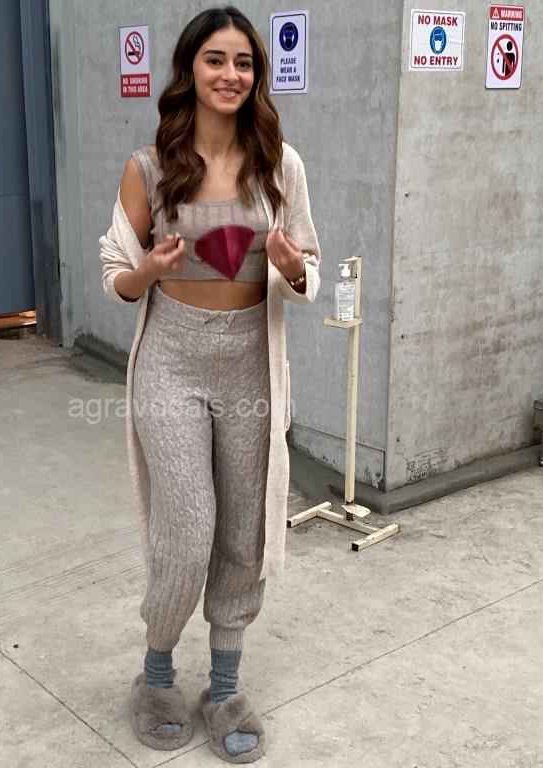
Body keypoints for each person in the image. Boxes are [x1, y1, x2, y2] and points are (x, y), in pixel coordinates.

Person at [99, 6, 320, 763]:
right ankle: (157, 672)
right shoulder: (149, 166)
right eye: (216, 60)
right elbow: (115, 274)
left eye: (244, 62)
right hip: (172, 360)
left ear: (257, 75)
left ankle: (224, 687)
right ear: (190, 69)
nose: (231, 75)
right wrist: (148, 271)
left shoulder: (281, 165)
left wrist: (291, 269)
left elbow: (308, 268)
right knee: (187, 532)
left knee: (243, 530)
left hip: (251, 363)